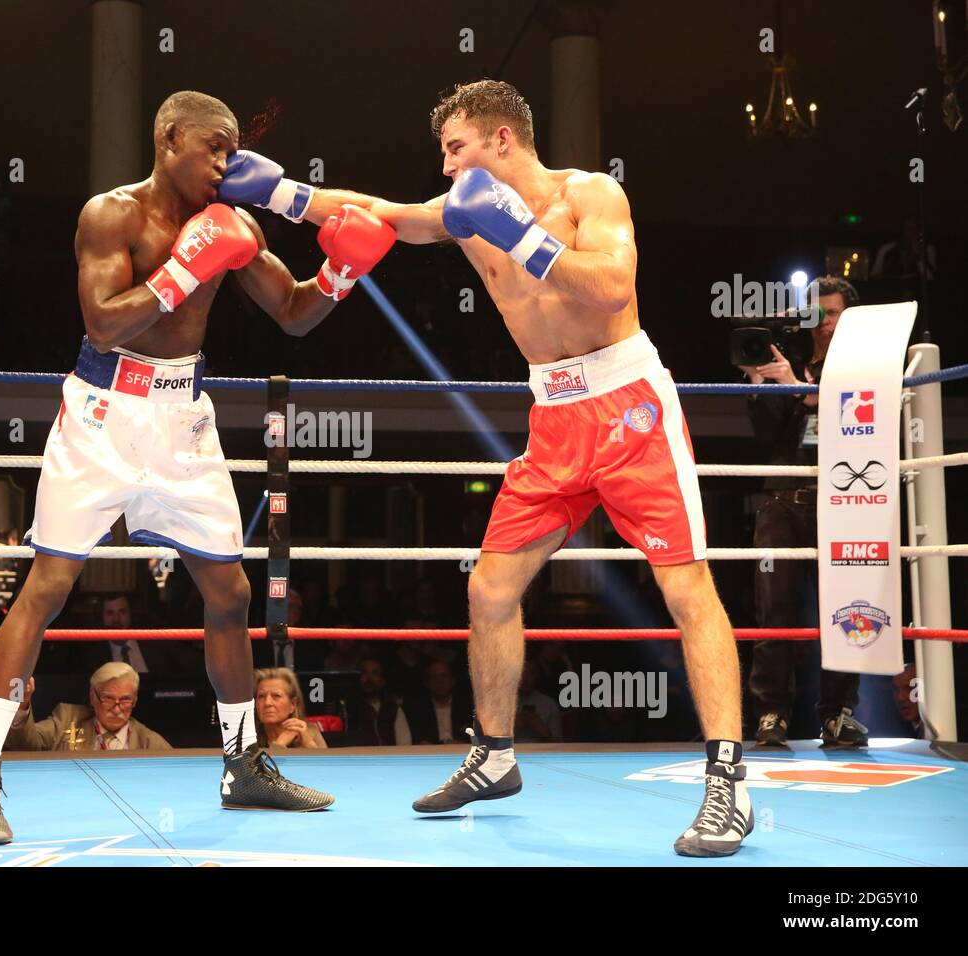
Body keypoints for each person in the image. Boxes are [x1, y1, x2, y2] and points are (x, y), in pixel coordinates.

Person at [237, 79, 750, 855]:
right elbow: (377, 213)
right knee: (490, 586)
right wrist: (281, 192)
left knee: (685, 585)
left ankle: (728, 782)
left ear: (502, 140)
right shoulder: (462, 218)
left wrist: (525, 240)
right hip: (554, 417)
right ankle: (496, 755)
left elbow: (613, 286)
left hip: (630, 406)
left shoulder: (590, 194)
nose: (446, 170)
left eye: (456, 149)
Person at [0, 90, 394, 843]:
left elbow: (291, 310)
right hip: (102, 412)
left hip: (184, 418)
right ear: (168, 139)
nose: (225, 163)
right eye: (212, 148)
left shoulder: (237, 224)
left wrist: (340, 276)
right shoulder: (112, 215)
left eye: (233, 150)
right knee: (49, 588)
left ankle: (242, 763)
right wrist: (185, 270)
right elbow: (102, 319)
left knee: (230, 590)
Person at [738, 276, 866, 749]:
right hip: (781, 501)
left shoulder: (861, 367)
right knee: (774, 613)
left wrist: (796, 386)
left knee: (845, 611)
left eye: (831, 313)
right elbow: (770, 440)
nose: (824, 323)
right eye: (816, 314)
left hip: (843, 500)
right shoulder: (790, 366)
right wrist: (760, 384)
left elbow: (852, 417)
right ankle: (771, 715)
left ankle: (838, 714)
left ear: (848, 315)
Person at [6, 663, 171, 752]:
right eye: (108, 698)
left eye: (126, 700)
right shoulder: (67, 719)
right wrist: (22, 703)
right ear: (93, 697)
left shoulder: (149, 742)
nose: (117, 708)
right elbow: (24, 746)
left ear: (135, 701)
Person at [254, 668, 326, 749]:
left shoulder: (311, 732)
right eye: (261, 696)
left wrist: (308, 743)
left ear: (292, 704)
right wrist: (280, 744)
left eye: (276, 696)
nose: (267, 703)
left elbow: (325, 762)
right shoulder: (247, 737)